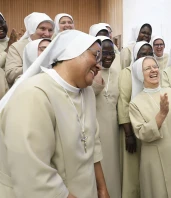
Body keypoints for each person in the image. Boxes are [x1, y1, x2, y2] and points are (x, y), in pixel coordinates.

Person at [0, 30, 110, 198]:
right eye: (96, 56)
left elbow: (92, 145)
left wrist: (102, 189)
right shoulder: (33, 94)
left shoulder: (87, 93)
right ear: (72, 52)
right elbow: (33, 174)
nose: (99, 65)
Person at [129, 56, 171, 198]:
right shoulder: (135, 103)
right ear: (140, 74)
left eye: (155, 66)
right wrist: (162, 114)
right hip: (154, 159)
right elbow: (142, 134)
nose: (153, 70)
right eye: (147, 68)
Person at [117, 41, 153, 198]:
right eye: (142, 54)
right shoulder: (127, 73)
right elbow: (123, 103)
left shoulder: (152, 72)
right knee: (132, 171)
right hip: (130, 129)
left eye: (149, 54)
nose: (145, 57)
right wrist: (129, 135)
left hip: (149, 129)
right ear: (136, 55)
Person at [92, 36, 121, 198]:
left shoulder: (117, 73)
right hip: (96, 127)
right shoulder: (91, 71)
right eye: (105, 52)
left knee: (113, 166)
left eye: (112, 52)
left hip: (113, 130)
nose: (108, 56)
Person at [4, 12, 54, 87]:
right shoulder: (17, 47)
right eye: (42, 29)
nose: (47, 34)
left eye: (50, 30)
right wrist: (37, 65)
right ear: (32, 29)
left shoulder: (54, 46)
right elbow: (10, 75)